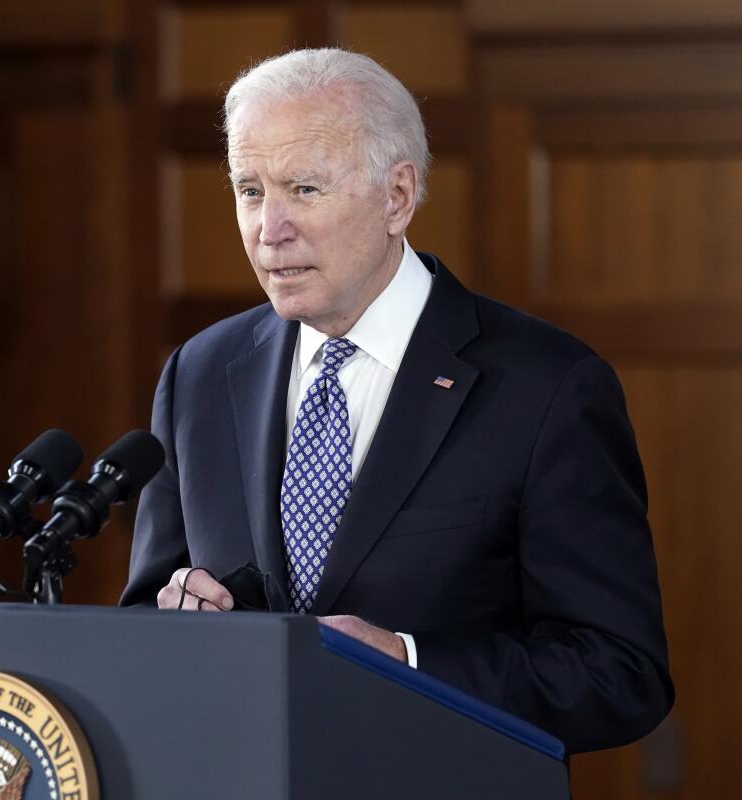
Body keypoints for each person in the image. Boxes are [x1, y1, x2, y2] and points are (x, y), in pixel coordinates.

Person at [119, 48, 672, 753]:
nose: (268, 230)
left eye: (304, 190)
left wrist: (409, 662)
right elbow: (145, 619)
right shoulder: (200, 372)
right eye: (250, 190)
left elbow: (622, 674)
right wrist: (178, 624)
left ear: (398, 196)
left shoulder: (547, 387)